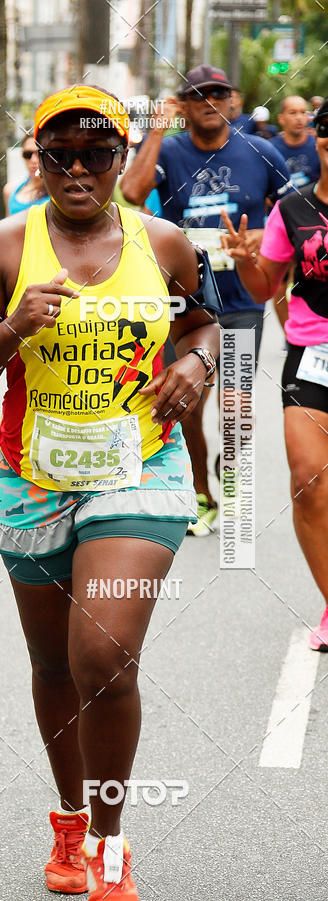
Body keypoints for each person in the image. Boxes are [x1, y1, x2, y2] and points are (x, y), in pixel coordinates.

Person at [0, 84, 220, 900]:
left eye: (97, 152)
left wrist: (196, 364)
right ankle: (68, 816)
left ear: (122, 157)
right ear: (39, 157)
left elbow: (200, 320)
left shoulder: (161, 242)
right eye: (58, 152)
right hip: (32, 482)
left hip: (141, 469)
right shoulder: (1, 247)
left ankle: (107, 838)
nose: (77, 168)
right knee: (53, 663)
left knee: (102, 656)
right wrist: (13, 327)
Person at [120, 64, 291, 536]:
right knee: (186, 403)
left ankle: (231, 485)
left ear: (231, 100)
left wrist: (259, 239)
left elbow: (292, 212)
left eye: (218, 92)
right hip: (185, 305)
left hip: (239, 300)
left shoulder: (259, 150)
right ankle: (200, 489)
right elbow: (132, 193)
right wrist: (156, 129)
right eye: (196, 95)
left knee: (234, 407)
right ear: (183, 105)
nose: (208, 100)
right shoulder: (170, 151)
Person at [220, 97, 328, 652]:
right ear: (319, 140)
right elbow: (268, 288)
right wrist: (245, 260)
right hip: (313, 355)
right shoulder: (294, 210)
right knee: (309, 481)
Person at [270, 96, 321, 333]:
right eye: (292, 112)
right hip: (279, 226)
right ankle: (289, 334)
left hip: (313, 229)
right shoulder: (270, 149)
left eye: (303, 112)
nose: (299, 117)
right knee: (278, 288)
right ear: (281, 118)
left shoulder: (318, 146)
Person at [3, 130, 48, 215]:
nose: (33, 160)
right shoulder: (10, 190)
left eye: (39, 153)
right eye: (28, 154)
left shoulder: (57, 193)